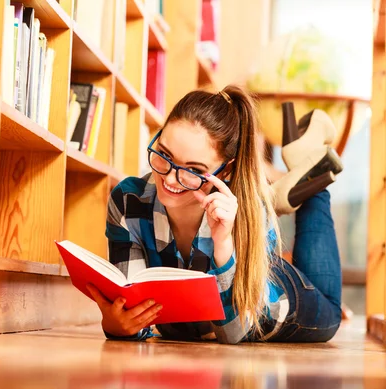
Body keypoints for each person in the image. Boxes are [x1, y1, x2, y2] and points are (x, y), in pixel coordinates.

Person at [87, 85, 343, 344]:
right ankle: (299, 173)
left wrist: (223, 245)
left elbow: (234, 333)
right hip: (194, 329)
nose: (170, 177)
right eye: (164, 154)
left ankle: (314, 184)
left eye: (194, 169)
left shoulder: (248, 211)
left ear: (225, 171)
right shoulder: (128, 200)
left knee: (332, 312)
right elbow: (134, 314)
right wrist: (115, 324)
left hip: (277, 308)